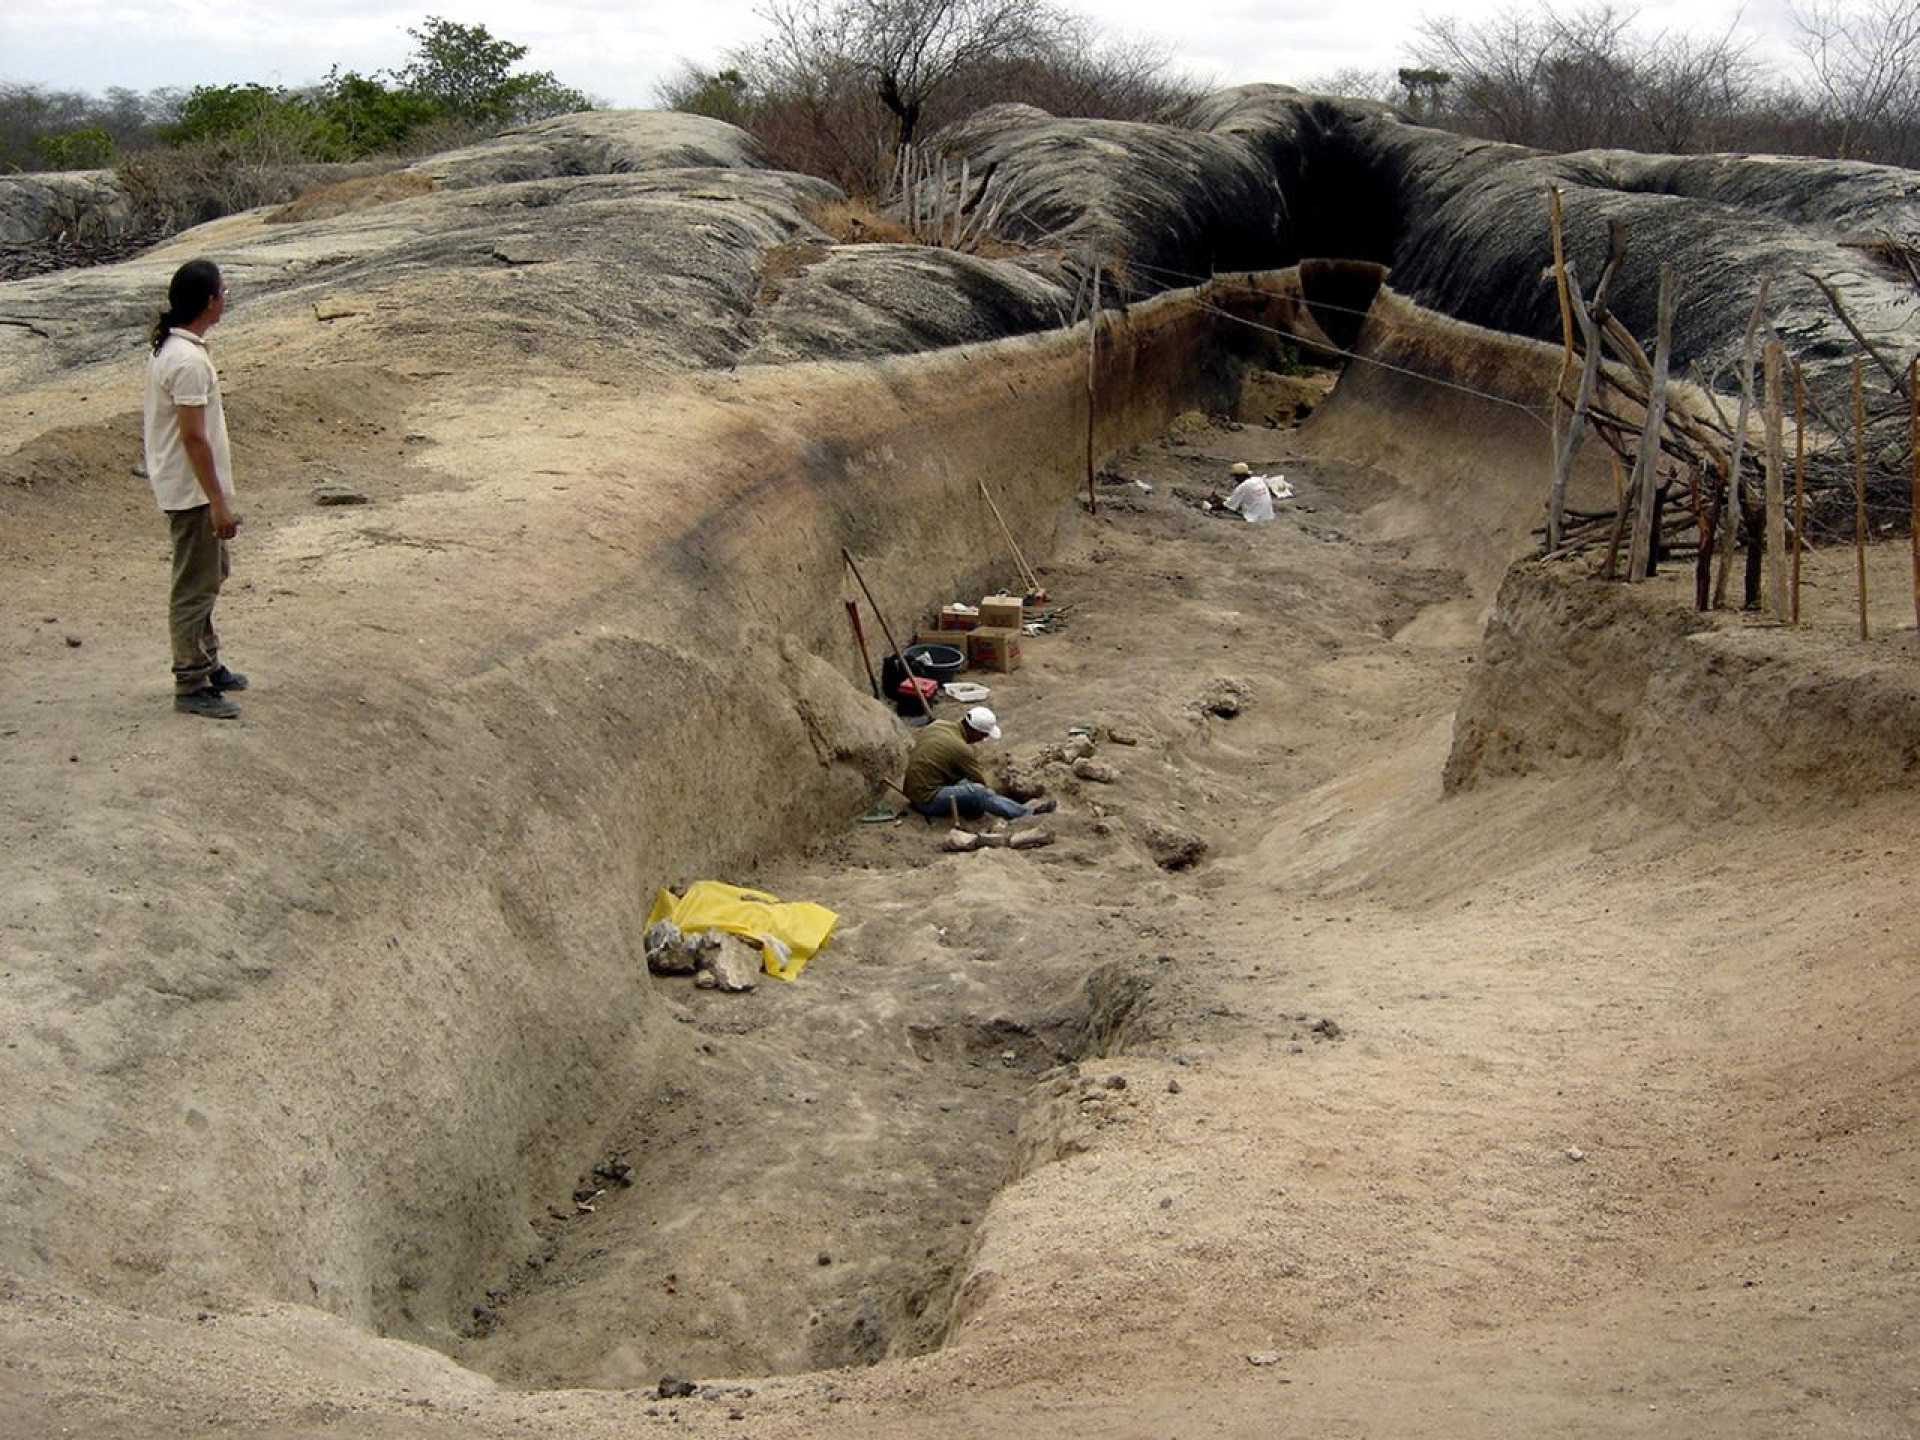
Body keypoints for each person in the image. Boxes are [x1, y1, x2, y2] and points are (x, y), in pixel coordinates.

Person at [144, 259, 248, 719]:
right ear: (209, 300)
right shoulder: (186, 361)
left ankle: (206, 660)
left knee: (211, 574)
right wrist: (218, 503)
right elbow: (193, 436)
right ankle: (190, 680)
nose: (226, 298)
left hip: (190, 487)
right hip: (191, 493)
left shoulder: (178, 350)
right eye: (222, 291)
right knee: (194, 585)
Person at [903, 706, 1057, 821]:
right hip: (925, 800)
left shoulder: (939, 725)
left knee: (966, 784)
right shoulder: (961, 749)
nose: (982, 740)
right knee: (979, 793)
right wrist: (988, 794)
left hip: (914, 789)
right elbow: (980, 782)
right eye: (983, 736)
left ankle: (1016, 808)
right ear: (974, 731)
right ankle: (1026, 814)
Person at [1214, 461, 1289, 523]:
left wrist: (1211, 507)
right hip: (1268, 515)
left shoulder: (1243, 486)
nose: (1235, 479)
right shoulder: (1258, 480)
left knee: (1220, 515)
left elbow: (1228, 506)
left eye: (1235, 476)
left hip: (1254, 518)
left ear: (1239, 476)